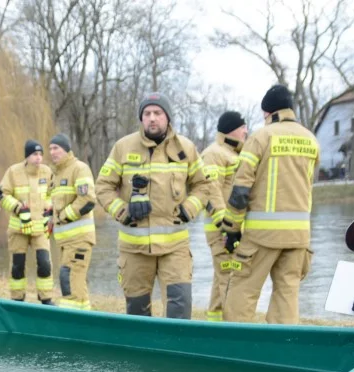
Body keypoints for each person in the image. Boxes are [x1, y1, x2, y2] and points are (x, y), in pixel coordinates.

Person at [95, 92, 216, 318]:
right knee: (137, 313)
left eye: (158, 113)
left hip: (175, 248)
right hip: (134, 248)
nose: (152, 118)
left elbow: (204, 185)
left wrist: (189, 208)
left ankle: (176, 352)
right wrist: (123, 211)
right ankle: (141, 353)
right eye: (147, 113)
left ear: (167, 117)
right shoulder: (123, 147)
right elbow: (103, 186)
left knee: (180, 308)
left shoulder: (186, 148)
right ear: (141, 119)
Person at [217, 84, 319, 324]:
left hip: (263, 236)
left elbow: (240, 191)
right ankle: (283, 351)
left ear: (267, 113)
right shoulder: (311, 139)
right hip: (299, 237)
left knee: (242, 292)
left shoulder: (261, 138)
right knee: (287, 294)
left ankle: (237, 349)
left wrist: (231, 230)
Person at [199, 111, 248, 322]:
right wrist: (226, 227)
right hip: (222, 231)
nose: (246, 130)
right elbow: (210, 192)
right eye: (242, 127)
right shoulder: (214, 153)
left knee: (223, 278)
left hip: (233, 229)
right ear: (232, 129)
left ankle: (214, 323)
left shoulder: (235, 154)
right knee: (229, 279)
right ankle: (231, 331)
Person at [0, 139, 54, 304]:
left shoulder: (47, 172)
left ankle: (46, 298)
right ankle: (17, 299)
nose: (39, 158)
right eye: (35, 154)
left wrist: (49, 208)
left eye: (41, 154)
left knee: (44, 263)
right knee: (17, 266)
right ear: (27, 156)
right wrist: (18, 208)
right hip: (18, 229)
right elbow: (2, 195)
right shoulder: (13, 172)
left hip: (41, 229)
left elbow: (52, 193)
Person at [46, 133, 97, 310]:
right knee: (75, 281)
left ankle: (70, 318)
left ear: (66, 150)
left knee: (69, 278)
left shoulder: (79, 168)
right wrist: (51, 217)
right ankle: (84, 318)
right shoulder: (55, 175)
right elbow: (55, 204)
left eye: (56, 148)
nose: (52, 152)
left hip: (79, 239)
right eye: (50, 148)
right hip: (65, 241)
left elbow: (88, 200)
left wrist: (63, 216)